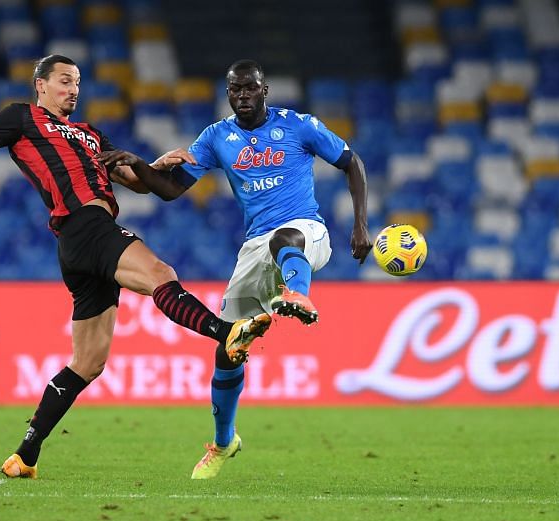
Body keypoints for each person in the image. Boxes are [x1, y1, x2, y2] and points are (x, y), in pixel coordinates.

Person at [0, 54, 272, 479]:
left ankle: (25, 454)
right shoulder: (20, 118)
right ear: (40, 84)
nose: (73, 89)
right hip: (84, 226)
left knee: (89, 361)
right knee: (160, 276)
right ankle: (227, 333)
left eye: (76, 82)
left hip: (80, 245)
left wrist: (155, 167)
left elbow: (136, 182)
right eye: (63, 81)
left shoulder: (91, 135)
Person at [97, 59, 372, 479]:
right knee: (229, 351)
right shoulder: (217, 137)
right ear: (228, 94)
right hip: (254, 250)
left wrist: (360, 226)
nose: (242, 96)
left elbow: (352, 162)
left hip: (306, 230)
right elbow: (170, 189)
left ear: (264, 91)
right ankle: (225, 442)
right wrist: (138, 163)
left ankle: (298, 292)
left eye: (249, 88)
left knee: (287, 238)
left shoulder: (299, 125)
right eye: (234, 90)